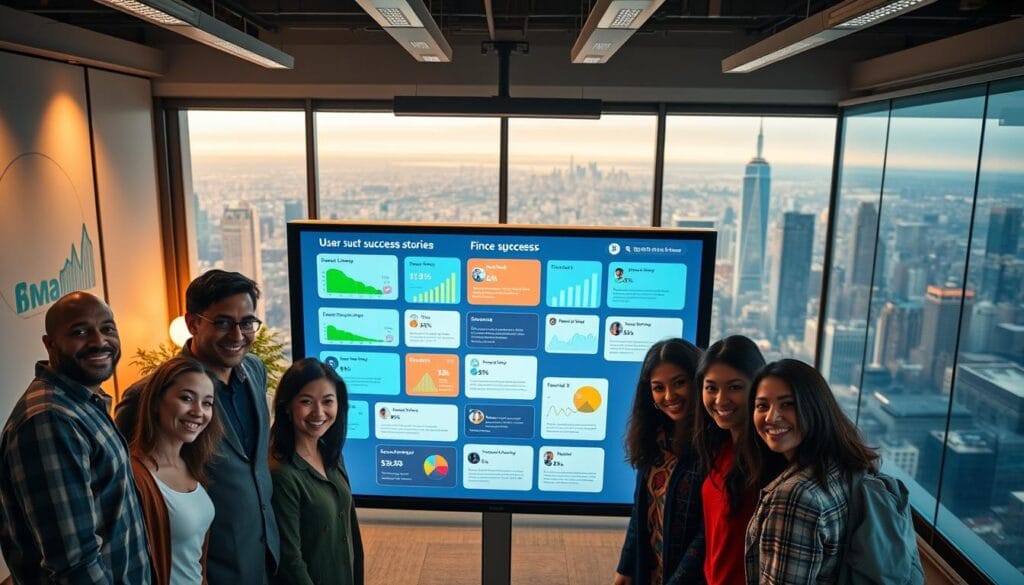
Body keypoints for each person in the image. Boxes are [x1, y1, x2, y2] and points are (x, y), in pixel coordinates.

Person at [115, 270, 279, 584]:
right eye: (222, 322)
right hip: (202, 568)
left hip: (263, 555)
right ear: (192, 323)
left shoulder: (254, 369)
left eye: (246, 322)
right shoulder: (147, 396)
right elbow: (129, 494)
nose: (237, 335)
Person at [0, 292, 152, 584]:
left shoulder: (83, 402)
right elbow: (74, 564)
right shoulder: (50, 421)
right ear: (50, 344)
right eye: (80, 332)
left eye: (108, 328)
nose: (99, 341)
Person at [743, 359, 879, 585]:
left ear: (814, 407)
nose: (771, 417)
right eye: (762, 406)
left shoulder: (795, 497)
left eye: (788, 404)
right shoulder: (843, 465)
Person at [615, 338, 705, 585]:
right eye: (658, 387)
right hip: (651, 572)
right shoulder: (655, 439)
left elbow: (706, 535)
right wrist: (625, 568)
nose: (669, 395)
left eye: (679, 383)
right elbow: (640, 511)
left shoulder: (711, 446)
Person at [692, 335, 779, 585]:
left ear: (758, 388)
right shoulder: (718, 448)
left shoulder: (768, 460)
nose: (720, 400)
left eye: (735, 387)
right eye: (711, 388)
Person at [270, 358, 364, 585]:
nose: (319, 412)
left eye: (328, 401)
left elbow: (349, 531)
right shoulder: (282, 473)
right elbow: (290, 560)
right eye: (306, 401)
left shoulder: (330, 455)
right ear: (287, 406)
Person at [130, 356, 223, 585]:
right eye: (186, 398)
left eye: (207, 403)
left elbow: (193, 560)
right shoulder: (134, 474)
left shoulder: (191, 464)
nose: (198, 411)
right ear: (155, 402)